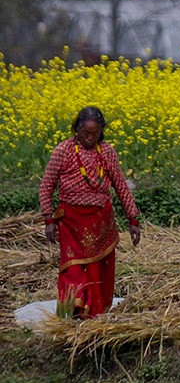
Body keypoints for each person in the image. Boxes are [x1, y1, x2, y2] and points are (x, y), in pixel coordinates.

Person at [39, 106, 142, 318]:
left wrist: (133, 219)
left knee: (98, 268)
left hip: (101, 222)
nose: (89, 138)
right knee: (73, 268)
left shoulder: (107, 152)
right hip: (71, 223)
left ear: (101, 131)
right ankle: (74, 310)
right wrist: (48, 219)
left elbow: (121, 186)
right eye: (85, 133)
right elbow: (46, 186)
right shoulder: (63, 151)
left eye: (94, 134)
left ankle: (94, 313)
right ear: (76, 129)